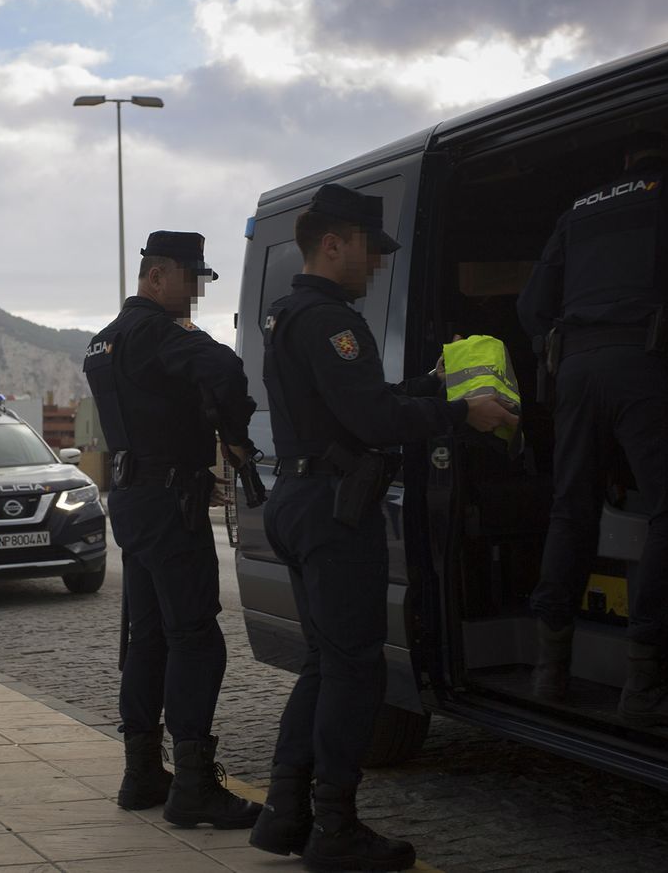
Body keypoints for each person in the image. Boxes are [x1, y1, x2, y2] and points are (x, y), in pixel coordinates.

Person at [251, 184, 517, 871]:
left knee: (323, 661)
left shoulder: (287, 315)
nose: (374, 266)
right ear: (335, 243)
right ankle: (334, 827)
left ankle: (286, 813)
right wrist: (465, 414)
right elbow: (373, 421)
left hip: (300, 497)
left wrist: (432, 385)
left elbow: (356, 404)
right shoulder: (332, 321)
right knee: (354, 669)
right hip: (335, 511)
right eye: (369, 251)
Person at [82, 231, 263, 830]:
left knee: (149, 634)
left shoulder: (104, 340)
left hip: (134, 497)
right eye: (190, 280)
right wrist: (233, 433)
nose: (193, 294)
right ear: (156, 277)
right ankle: (192, 785)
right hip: (167, 501)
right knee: (195, 637)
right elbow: (227, 367)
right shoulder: (156, 332)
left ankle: (141, 774)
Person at [515, 129, 668, 727]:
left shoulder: (579, 210)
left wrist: (559, 347)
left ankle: (550, 673)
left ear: (624, 158)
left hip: (575, 370)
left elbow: (532, 307)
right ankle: (644, 681)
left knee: (572, 509)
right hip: (642, 363)